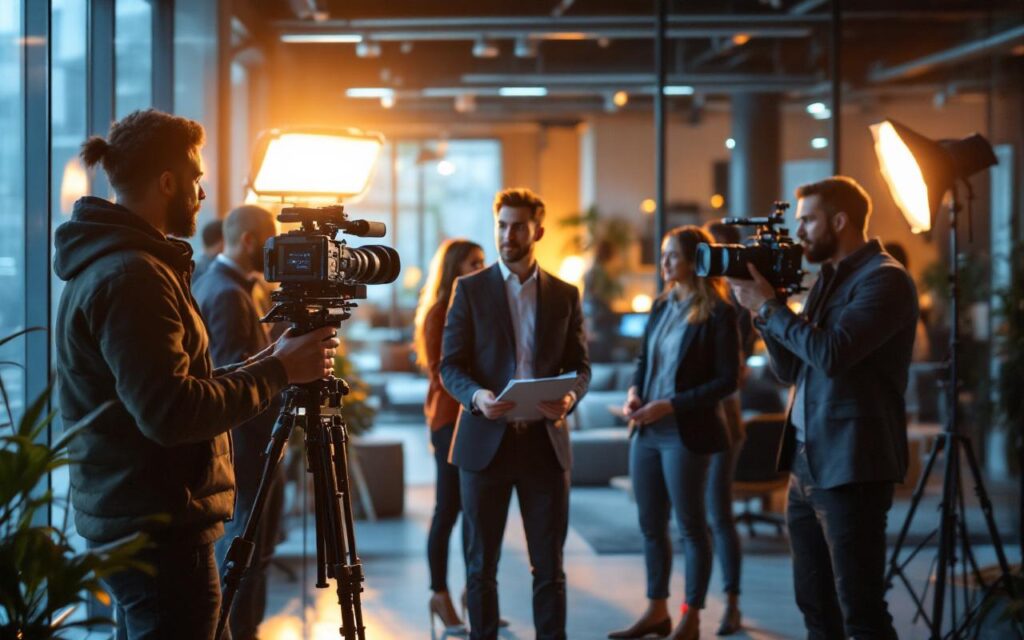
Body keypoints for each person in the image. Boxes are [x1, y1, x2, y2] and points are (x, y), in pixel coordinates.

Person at [53, 109, 339, 640]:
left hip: (144, 517)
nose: (203, 193)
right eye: (197, 178)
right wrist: (279, 370)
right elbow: (172, 413)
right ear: (167, 182)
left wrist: (270, 359)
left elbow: (177, 385)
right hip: (157, 529)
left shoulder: (131, 264)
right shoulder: (133, 276)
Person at [729, 176, 918, 640]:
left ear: (840, 220)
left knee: (861, 611)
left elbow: (833, 354)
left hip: (852, 465)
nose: (800, 231)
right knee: (815, 606)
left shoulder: (886, 280)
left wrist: (772, 309)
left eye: (808, 219)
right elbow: (794, 369)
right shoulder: (828, 281)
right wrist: (762, 314)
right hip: (806, 464)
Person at [440, 187, 591, 640]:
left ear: (538, 230)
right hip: (485, 441)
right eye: (502, 225)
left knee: (549, 567)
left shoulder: (565, 294)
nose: (508, 234)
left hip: (544, 446)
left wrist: (569, 399)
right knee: (480, 565)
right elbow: (450, 365)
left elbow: (580, 366)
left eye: (518, 226)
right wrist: (477, 397)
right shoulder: (468, 289)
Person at [608, 226, 740, 640]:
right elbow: (643, 362)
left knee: (691, 527)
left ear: (695, 261)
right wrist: (634, 393)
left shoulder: (719, 312)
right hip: (646, 430)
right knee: (651, 525)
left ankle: (692, 615)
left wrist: (672, 404)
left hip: (686, 431)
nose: (664, 263)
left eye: (673, 256)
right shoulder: (662, 305)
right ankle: (657, 610)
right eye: (663, 254)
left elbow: (727, 381)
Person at [192, 204, 281, 640]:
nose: (276, 251)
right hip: (247, 448)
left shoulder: (221, 283)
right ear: (249, 241)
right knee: (247, 552)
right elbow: (229, 375)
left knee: (248, 551)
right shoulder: (227, 293)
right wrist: (280, 365)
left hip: (248, 446)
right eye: (270, 241)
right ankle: (244, 632)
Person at [412, 238, 486, 634]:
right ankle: (439, 594)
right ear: (455, 268)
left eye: (482, 262)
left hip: (475, 418)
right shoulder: (440, 311)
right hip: (448, 420)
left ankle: (472, 596)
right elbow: (446, 369)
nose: (480, 269)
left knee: (473, 512)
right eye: (473, 263)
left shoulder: (473, 306)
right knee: (449, 510)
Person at [702, 221, 755, 635]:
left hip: (723, 416)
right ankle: (693, 605)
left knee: (719, 515)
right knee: (697, 518)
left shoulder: (735, 305)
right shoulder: (696, 302)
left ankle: (732, 602)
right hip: (694, 419)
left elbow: (734, 374)